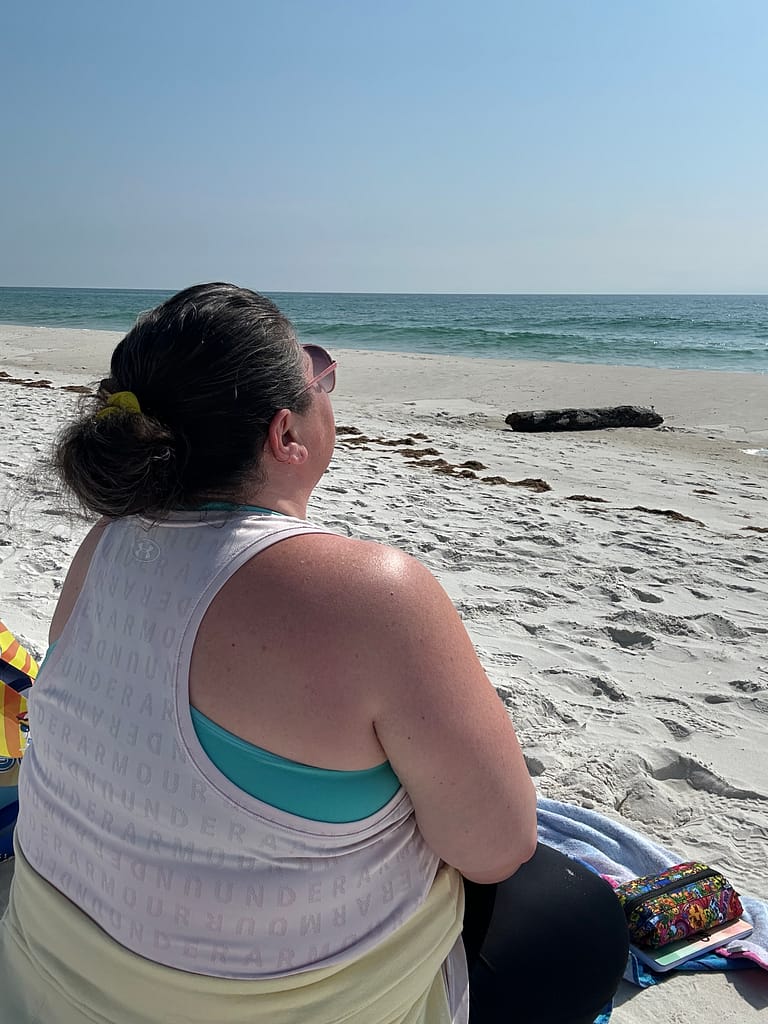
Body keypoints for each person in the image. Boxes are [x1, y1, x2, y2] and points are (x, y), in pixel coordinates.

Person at [0, 284, 628, 1023]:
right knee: (577, 916)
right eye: (319, 376)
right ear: (285, 434)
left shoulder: (105, 545)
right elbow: (496, 849)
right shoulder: (369, 591)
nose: (330, 389)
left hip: (54, 982)